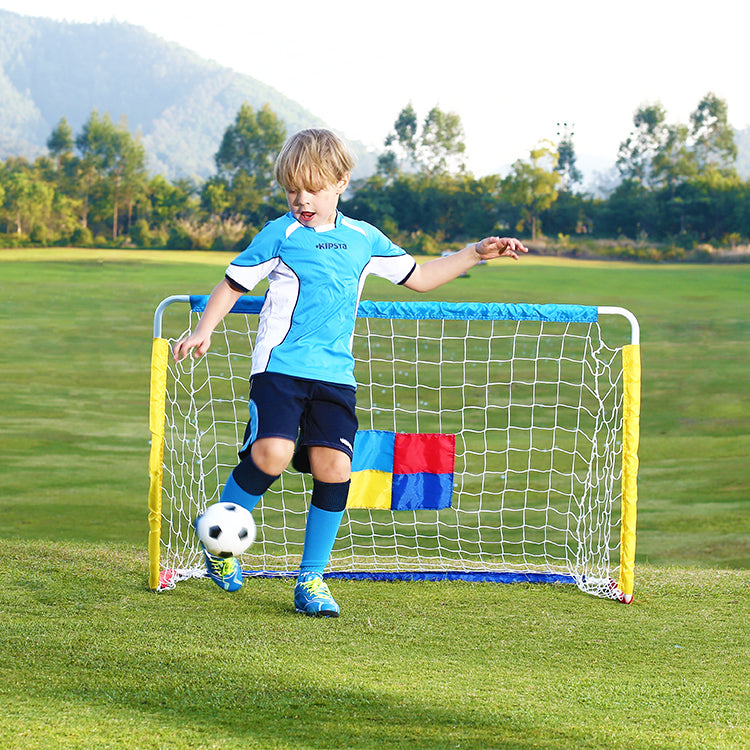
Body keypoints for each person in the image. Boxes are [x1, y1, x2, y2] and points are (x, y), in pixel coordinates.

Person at [172, 128, 528, 617]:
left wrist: (474, 253)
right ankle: (220, 539)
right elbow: (233, 284)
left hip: (335, 376)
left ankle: (312, 581)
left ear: (340, 182)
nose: (301, 199)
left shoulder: (364, 238)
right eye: (292, 189)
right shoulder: (280, 233)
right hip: (279, 368)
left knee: (335, 466)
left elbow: (421, 278)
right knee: (272, 454)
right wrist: (204, 329)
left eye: (312, 188)